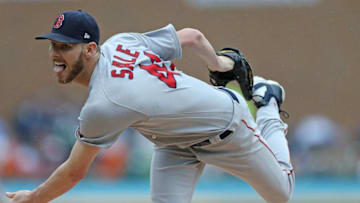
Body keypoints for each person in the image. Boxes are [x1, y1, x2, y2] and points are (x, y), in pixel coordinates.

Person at [6, 10, 294, 203]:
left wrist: (33, 198)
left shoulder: (104, 104)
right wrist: (218, 64)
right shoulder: (121, 43)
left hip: (225, 127)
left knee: (280, 194)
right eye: (53, 45)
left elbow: (74, 172)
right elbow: (193, 36)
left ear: (91, 49)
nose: (56, 54)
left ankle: (267, 102)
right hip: (173, 143)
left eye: (65, 47)